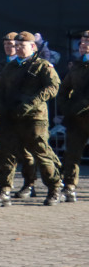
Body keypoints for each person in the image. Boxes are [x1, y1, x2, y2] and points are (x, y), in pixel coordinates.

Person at [0, 31, 62, 207]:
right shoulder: (10, 67)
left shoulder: (42, 66)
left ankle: (54, 188)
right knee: (7, 154)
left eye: (23, 45)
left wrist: (32, 102)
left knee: (41, 154)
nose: (19, 48)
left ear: (33, 47)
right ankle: (4, 191)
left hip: (33, 118)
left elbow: (53, 87)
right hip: (11, 118)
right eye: (17, 45)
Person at [57, 30, 89, 202]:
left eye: (87, 42)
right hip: (77, 119)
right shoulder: (76, 66)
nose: (83, 45)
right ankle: (69, 186)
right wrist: (67, 108)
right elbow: (63, 90)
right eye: (82, 42)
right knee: (72, 154)